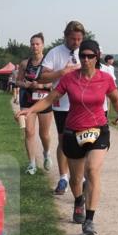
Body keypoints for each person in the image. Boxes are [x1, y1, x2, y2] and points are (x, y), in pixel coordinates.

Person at [16, 40, 118, 235]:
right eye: (82, 55)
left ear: (97, 57)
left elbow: (115, 97)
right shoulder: (69, 79)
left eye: (90, 56)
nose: (85, 59)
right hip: (73, 131)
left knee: (91, 170)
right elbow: (50, 99)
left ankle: (89, 221)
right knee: (75, 179)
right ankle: (78, 201)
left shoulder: (105, 78)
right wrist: (30, 109)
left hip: (98, 130)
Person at [37, 20, 85, 194]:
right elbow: (42, 78)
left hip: (82, 105)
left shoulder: (86, 52)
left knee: (84, 141)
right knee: (64, 141)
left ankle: (82, 176)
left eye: (79, 39)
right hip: (62, 105)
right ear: (65, 36)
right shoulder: (55, 53)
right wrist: (62, 73)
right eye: (73, 39)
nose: (76, 43)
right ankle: (63, 177)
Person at [17, 33, 53, 175]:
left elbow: (53, 82)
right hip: (27, 100)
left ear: (43, 45)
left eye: (37, 44)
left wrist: (42, 86)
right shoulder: (25, 64)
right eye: (32, 44)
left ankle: (46, 153)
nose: (35, 46)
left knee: (44, 134)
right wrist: (26, 84)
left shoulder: (48, 63)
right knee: (29, 132)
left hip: (44, 101)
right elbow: (18, 81)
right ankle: (31, 164)